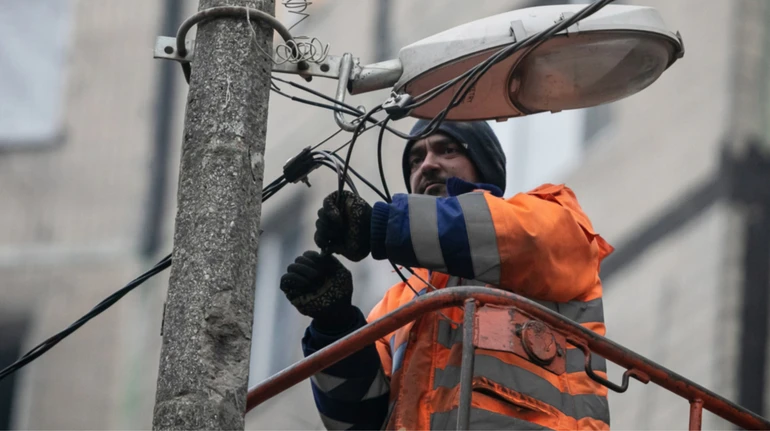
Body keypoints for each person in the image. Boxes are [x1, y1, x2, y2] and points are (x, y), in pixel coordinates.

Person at [279, 119, 614, 430]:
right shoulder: (397, 304)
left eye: (447, 149)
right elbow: (359, 422)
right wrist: (335, 326)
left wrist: (382, 227)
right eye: (415, 159)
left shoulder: (553, 216)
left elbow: (513, 236)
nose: (427, 164)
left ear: (482, 165)